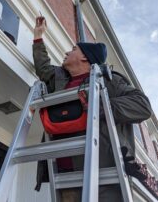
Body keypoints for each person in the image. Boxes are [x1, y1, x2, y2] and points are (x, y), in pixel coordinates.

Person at [33, 16, 152, 202]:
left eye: (73, 49)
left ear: (84, 57)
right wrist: (38, 37)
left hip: (102, 174)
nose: (66, 52)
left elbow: (142, 106)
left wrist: (100, 106)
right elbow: (43, 68)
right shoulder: (60, 78)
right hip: (65, 174)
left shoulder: (109, 81)